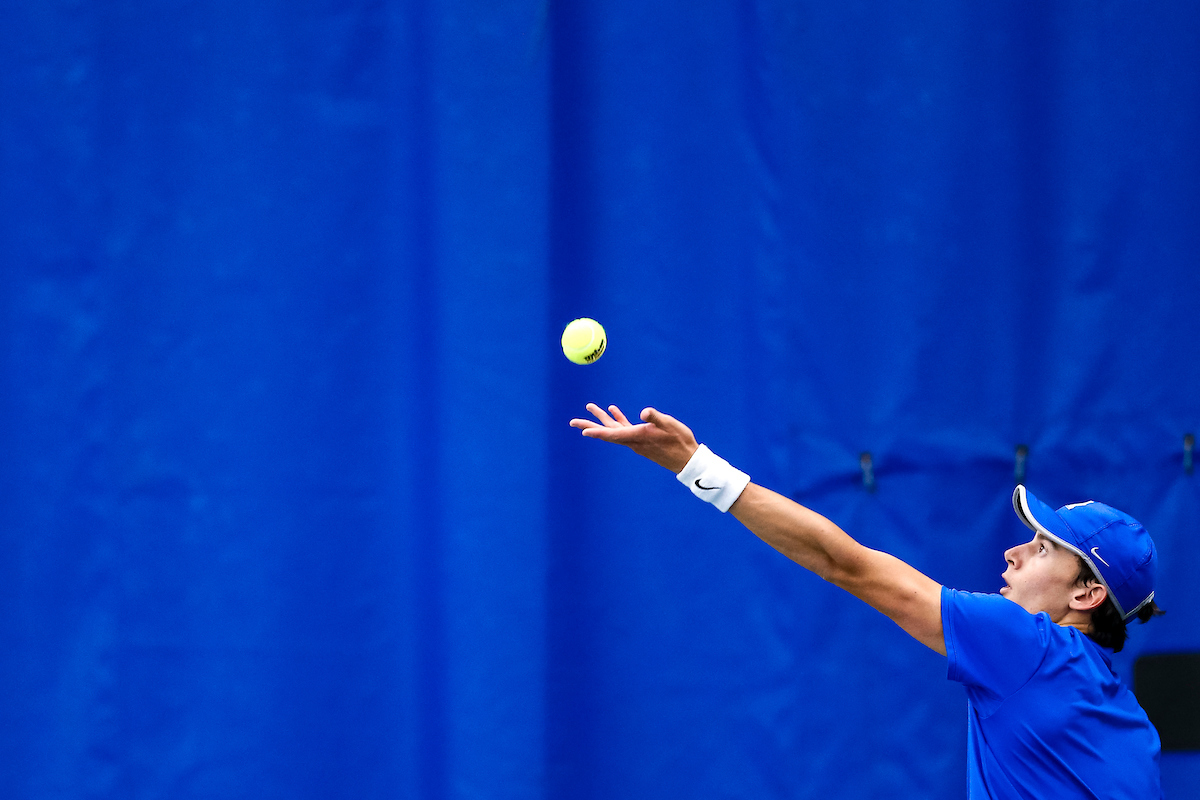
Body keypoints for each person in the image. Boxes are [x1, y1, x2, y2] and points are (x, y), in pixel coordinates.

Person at [570, 403, 1164, 800]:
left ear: (1086, 593)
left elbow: (842, 563)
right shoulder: (1132, 730)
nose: (1013, 554)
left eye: (1040, 549)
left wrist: (694, 465)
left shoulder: (1028, 645)